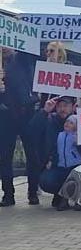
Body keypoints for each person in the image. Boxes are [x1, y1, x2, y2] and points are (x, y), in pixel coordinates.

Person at [0, 49, 40, 207]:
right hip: (5, 115)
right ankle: (8, 194)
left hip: (26, 112)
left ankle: (33, 193)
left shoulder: (21, 59)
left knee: (32, 154)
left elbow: (28, 48)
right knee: (5, 156)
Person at [35, 96, 77, 210]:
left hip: (77, 165)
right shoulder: (49, 120)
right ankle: (61, 195)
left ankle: (79, 198)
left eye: (65, 106)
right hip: (57, 165)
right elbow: (31, 132)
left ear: (73, 107)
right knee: (46, 181)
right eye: (59, 106)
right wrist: (44, 111)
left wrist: (80, 143)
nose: (62, 109)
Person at [40, 112, 81, 211]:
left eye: (71, 123)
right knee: (65, 182)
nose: (67, 124)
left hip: (74, 164)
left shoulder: (76, 136)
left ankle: (79, 202)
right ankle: (64, 201)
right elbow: (54, 148)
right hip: (61, 164)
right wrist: (51, 160)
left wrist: (78, 142)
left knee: (77, 183)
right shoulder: (59, 135)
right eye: (67, 121)